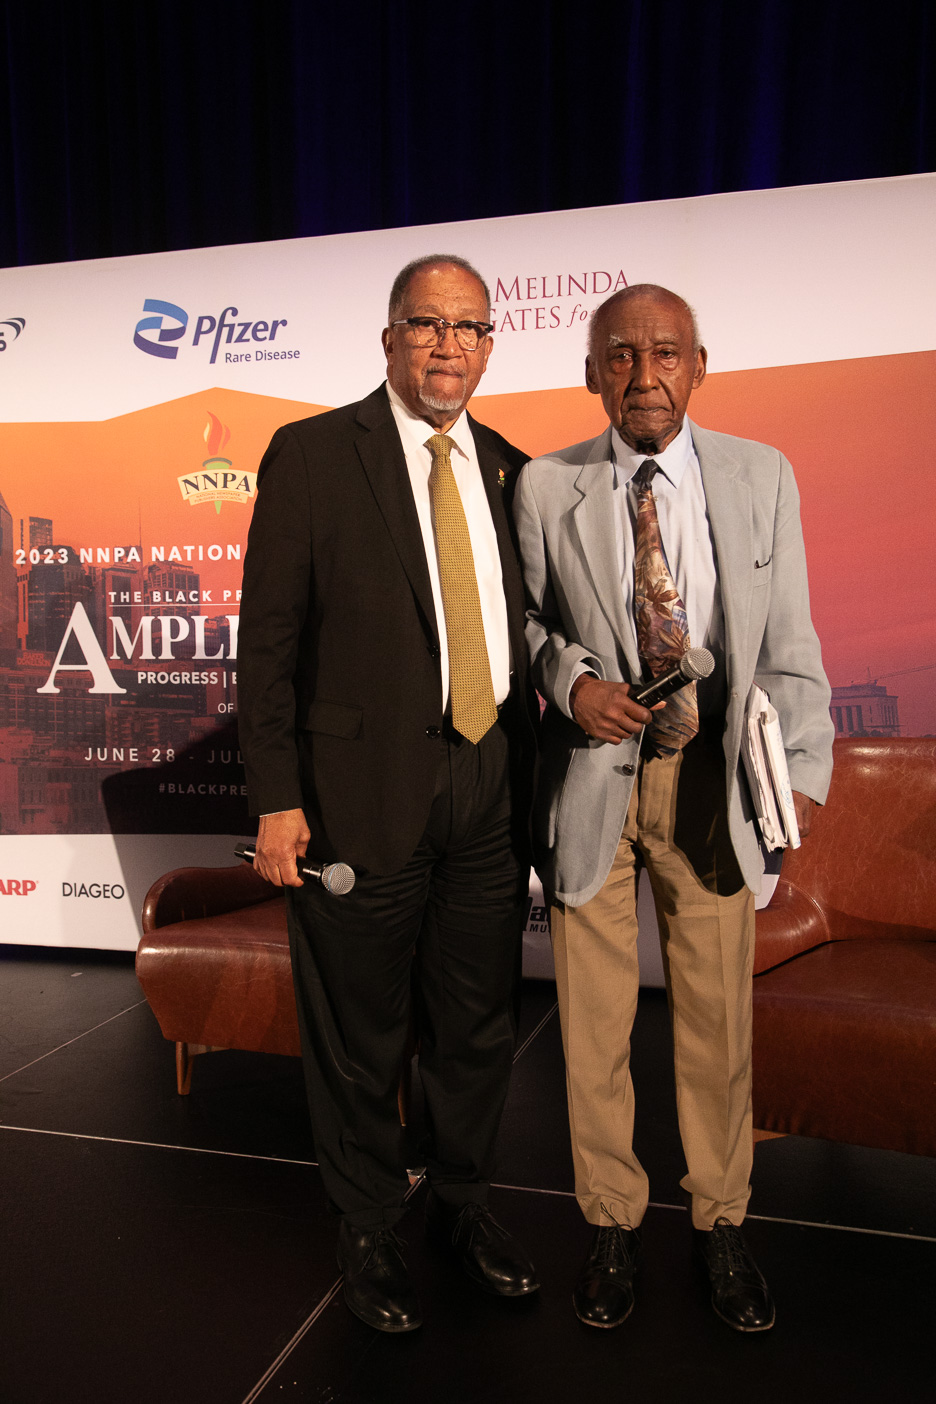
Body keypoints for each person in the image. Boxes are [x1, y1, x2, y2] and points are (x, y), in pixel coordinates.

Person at [513, 283, 833, 1333]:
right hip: (591, 783)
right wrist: (572, 685)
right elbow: (526, 625)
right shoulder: (545, 485)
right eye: (620, 355)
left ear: (699, 367)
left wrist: (797, 789)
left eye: (664, 354)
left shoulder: (761, 474)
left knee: (716, 1026)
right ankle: (611, 1222)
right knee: (593, 1029)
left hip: (713, 790)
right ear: (591, 371)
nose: (643, 376)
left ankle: (721, 1223)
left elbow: (789, 641)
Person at [237, 255, 540, 1333]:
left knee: (476, 1021)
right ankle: (368, 1222)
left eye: (469, 327)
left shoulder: (511, 469)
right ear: (390, 338)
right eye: (427, 323)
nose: (449, 345)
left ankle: (461, 1203)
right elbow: (268, 644)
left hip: (491, 782)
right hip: (356, 793)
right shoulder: (315, 454)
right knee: (360, 1030)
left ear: (489, 345)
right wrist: (277, 796)